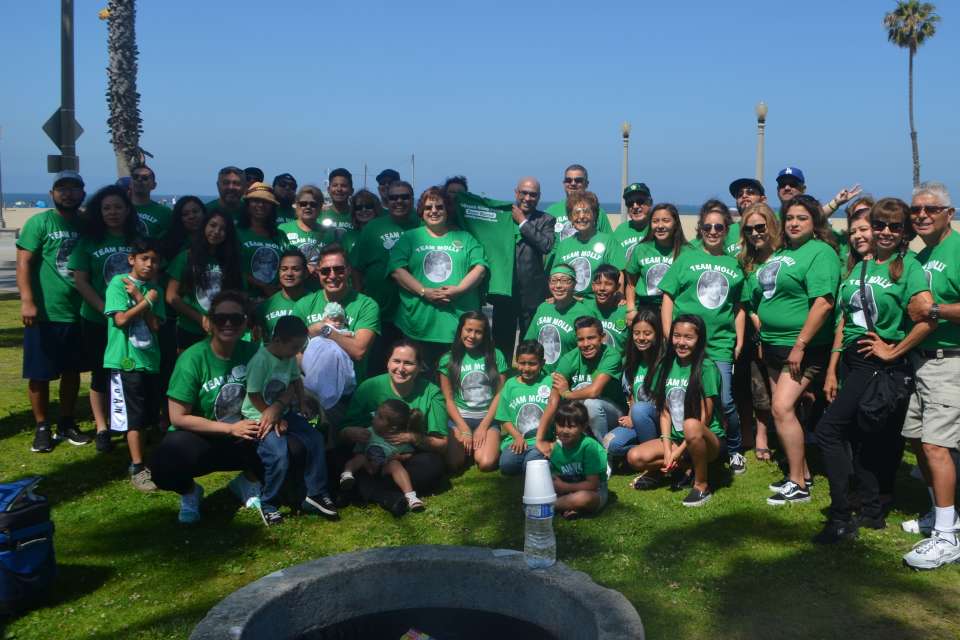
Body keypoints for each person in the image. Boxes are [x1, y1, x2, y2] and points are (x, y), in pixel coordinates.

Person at [814, 198, 932, 545]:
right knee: (857, 436)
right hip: (851, 359)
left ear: (905, 231)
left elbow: (927, 319)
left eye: (894, 226)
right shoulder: (861, 265)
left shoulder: (909, 267)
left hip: (874, 362)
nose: (885, 232)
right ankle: (871, 512)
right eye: (879, 224)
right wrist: (833, 367)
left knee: (827, 431)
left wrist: (892, 350)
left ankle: (840, 517)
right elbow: (845, 321)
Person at [150, 290, 306, 524]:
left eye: (236, 318)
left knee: (295, 448)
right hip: (203, 435)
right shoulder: (192, 359)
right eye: (221, 318)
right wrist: (230, 429)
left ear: (245, 322)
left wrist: (278, 406)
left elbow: (289, 381)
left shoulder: (257, 352)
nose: (228, 324)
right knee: (164, 464)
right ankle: (190, 492)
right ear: (210, 322)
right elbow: (178, 417)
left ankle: (248, 481)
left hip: (249, 432)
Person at [749, 194, 840, 506]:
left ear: (815, 222)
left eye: (802, 218)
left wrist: (800, 345)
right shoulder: (783, 252)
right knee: (784, 411)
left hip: (801, 347)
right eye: (789, 218)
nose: (794, 223)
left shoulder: (821, 253)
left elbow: (823, 303)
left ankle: (797, 484)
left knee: (781, 408)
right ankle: (803, 473)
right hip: (773, 345)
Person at [659, 199, 746, 475]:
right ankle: (692, 446)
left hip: (719, 344)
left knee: (725, 400)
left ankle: (734, 448)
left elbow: (738, 306)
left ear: (726, 230)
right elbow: (668, 297)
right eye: (707, 226)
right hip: (685, 344)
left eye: (718, 227)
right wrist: (668, 334)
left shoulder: (734, 265)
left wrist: (739, 340)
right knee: (686, 397)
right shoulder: (686, 258)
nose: (712, 231)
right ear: (700, 228)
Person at [900, 182, 960, 569]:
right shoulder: (922, 255)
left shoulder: (957, 250)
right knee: (918, 441)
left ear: (948, 214)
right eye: (916, 209)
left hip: (950, 361)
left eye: (931, 209)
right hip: (920, 361)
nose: (921, 215)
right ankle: (941, 515)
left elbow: (929, 309)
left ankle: (946, 538)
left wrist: (935, 310)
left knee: (938, 446)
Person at [17, 170, 90, 453]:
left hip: (78, 311)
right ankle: (42, 426)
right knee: (40, 373)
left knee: (72, 371)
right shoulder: (40, 222)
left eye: (74, 188)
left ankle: (67, 422)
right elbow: (24, 262)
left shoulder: (87, 224)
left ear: (83, 193)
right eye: (62, 188)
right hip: (45, 313)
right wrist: (27, 301)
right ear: (52, 194)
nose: (68, 193)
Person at [241, 315, 336, 525]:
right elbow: (254, 394)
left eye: (300, 348)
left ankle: (316, 493)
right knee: (279, 454)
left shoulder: (289, 357)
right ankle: (268, 503)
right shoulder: (260, 361)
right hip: (259, 417)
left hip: (283, 413)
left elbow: (295, 381)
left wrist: (302, 403)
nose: (297, 352)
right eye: (294, 347)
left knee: (315, 438)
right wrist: (272, 417)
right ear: (278, 340)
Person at [339, 340, 449, 516]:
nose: (401, 368)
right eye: (396, 361)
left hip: (402, 459)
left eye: (408, 363)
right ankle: (386, 495)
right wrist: (350, 432)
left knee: (432, 465)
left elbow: (442, 444)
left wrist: (413, 438)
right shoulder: (369, 387)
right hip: (367, 455)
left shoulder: (431, 392)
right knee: (336, 457)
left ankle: (368, 491)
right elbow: (343, 431)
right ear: (388, 362)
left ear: (420, 367)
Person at [625, 315, 725, 506]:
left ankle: (701, 486)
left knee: (691, 425)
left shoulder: (707, 367)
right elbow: (665, 412)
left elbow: (705, 416)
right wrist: (667, 450)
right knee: (634, 457)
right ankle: (686, 467)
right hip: (678, 440)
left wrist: (678, 452)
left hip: (707, 440)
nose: (681, 342)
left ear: (699, 339)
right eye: (677, 336)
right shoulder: (666, 365)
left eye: (688, 337)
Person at [69, 185, 138, 452]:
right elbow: (81, 281)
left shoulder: (137, 239)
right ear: (99, 211)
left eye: (118, 207)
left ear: (127, 210)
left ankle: (131, 424)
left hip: (133, 319)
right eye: (106, 208)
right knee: (100, 373)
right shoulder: (89, 241)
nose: (112, 212)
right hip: (98, 319)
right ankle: (102, 427)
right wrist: (106, 310)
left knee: (132, 372)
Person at [388, 187, 488, 371]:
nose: (434, 211)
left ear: (447, 210)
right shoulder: (410, 237)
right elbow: (396, 270)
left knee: (453, 379)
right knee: (417, 377)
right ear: (421, 211)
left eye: (439, 207)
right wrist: (424, 291)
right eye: (428, 207)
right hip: (419, 325)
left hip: (457, 327)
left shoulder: (465, 238)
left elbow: (480, 268)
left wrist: (459, 290)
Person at [103, 238, 166, 491]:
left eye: (155, 260)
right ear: (132, 259)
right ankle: (137, 467)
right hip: (125, 361)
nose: (149, 264)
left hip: (149, 360)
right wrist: (145, 301)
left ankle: (147, 460)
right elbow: (120, 320)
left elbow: (155, 325)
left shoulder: (154, 290)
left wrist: (142, 297)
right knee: (134, 416)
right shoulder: (119, 283)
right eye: (144, 258)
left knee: (149, 413)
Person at [350, 180, 418, 375]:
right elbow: (356, 266)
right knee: (378, 365)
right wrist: (360, 296)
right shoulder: (373, 227)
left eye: (404, 197)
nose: (399, 201)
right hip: (379, 310)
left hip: (412, 311)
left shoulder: (421, 224)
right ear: (386, 200)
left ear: (412, 199)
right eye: (394, 197)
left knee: (410, 365)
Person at [294, 244, 380, 382]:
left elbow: (358, 351)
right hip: (311, 388)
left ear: (348, 270)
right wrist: (318, 376)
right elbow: (292, 350)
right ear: (318, 273)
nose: (332, 275)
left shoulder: (366, 305)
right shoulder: (303, 305)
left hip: (352, 388)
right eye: (325, 271)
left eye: (339, 269)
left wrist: (324, 330)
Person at [737, 202, 782, 463]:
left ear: (772, 225)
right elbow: (748, 303)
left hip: (786, 335)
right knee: (756, 386)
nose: (755, 233)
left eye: (760, 227)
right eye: (749, 229)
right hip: (757, 334)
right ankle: (759, 435)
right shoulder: (746, 262)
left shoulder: (785, 256)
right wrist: (760, 326)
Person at [438, 311, 509, 471]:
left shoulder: (496, 355)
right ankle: (467, 446)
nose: (472, 336)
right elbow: (448, 399)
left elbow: (500, 394)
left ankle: (480, 446)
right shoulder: (447, 359)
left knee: (486, 463)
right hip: (458, 419)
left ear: (485, 334)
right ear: (460, 330)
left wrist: (483, 427)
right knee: (454, 463)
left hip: (487, 419)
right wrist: (464, 430)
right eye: (468, 330)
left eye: (478, 332)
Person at [541, 316, 624, 449]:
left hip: (613, 414)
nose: (586, 344)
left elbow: (594, 391)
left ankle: (603, 452)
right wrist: (539, 439)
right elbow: (553, 401)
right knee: (563, 407)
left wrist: (567, 393)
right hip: (582, 415)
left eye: (591, 338)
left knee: (591, 404)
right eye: (581, 339)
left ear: (602, 337)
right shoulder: (569, 359)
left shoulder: (611, 355)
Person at [166, 210, 242, 351]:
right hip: (189, 328)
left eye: (223, 229)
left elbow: (238, 295)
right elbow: (171, 296)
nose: (216, 231)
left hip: (223, 329)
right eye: (212, 225)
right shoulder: (186, 257)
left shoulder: (232, 261)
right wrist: (200, 318)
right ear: (204, 226)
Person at [339, 399, 427, 512]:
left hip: (385, 467)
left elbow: (410, 454)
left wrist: (400, 457)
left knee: (395, 464)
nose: (374, 416)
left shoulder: (398, 439)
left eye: (380, 417)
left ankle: (411, 496)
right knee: (359, 458)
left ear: (393, 428)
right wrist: (362, 457)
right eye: (376, 413)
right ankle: (347, 474)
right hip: (368, 466)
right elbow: (358, 450)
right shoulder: (368, 432)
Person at [610, 309, 663, 472]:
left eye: (647, 333)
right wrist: (631, 416)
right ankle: (641, 456)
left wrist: (636, 416)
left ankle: (650, 462)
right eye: (636, 333)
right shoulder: (631, 362)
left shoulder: (664, 363)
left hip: (660, 421)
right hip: (639, 420)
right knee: (611, 443)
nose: (641, 338)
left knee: (640, 410)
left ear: (657, 334)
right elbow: (633, 396)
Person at [524, 264, 597, 372]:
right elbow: (530, 342)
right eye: (553, 281)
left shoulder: (584, 313)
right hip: (539, 376)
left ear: (574, 284)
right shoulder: (543, 308)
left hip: (568, 376)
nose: (558, 285)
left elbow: (591, 351)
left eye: (564, 280)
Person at [497, 341, 554, 476]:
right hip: (517, 440)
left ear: (542, 363)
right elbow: (503, 417)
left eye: (532, 364)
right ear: (516, 362)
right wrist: (517, 437)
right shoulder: (510, 385)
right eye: (522, 363)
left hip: (542, 440)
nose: (526, 368)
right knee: (507, 465)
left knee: (531, 466)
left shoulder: (549, 382)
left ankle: (541, 459)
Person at [547, 191, 616, 299]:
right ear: (570, 218)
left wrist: (618, 297)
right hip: (569, 301)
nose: (581, 216)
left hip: (599, 301)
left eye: (586, 212)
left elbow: (619, 274)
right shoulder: (564, 244)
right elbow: (556, 276)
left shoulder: (608, 241)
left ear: (595, 215)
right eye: (576, 213)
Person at [624, 203, 688, 319]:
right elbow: (631, 284)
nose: (660, 226)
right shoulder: (641, 249)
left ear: (675, 223)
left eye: (666, 220)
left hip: (675, 310)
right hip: (646, 310)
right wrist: (631, 309)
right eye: (655, 221)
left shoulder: (687, 252)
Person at [549, 401, 609, 519]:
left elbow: (592, 485)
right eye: (561, 425)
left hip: (594, 492)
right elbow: (557, 477)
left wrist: (564, 487)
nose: (565, 431)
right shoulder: (557, 448)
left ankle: (548, 506)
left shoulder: (589, 447)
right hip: (568, 490)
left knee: (583, 498)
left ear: (583, 427)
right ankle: (569, 507)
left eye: (571, 426)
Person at [237, 182, 287, 301]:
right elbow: (230, 267)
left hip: (274, 299)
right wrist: (263, 286)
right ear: (247, 204)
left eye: (266, 202)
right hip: (244, 299)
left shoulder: (280, 235)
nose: (260, 205)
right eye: (256, 201)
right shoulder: (236, 232)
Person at [544, 164, 613, 240]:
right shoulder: (551, 212)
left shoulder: (598, 212)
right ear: (564, 184)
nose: (573, 183)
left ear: (586, 184)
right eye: (568, 180)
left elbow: (609, 240)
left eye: (578, 180)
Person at [257, 250, 312, 343]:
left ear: (306, 273)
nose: (289, 274)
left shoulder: (316, 301)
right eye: (284, 269)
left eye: (295, 269)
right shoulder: (266, 307)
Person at [278, 185, 334, 274]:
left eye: (313, 204)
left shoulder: (330, 233)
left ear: (320, 207)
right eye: (303, 204)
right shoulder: (282, 229)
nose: (308, 207)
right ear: (297, 205)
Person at [586, 264, 629, 353]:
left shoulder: (626, 312)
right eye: (598, 283)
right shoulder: (584, 307)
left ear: (617, 287)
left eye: (608, 284)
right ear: (593, 286)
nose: (602, 288)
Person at [611, 182, 653, 268]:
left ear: (650, 202)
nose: (635, 206)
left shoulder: (658, 229)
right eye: (630, 202)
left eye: (640, 200)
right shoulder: (621, 230)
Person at [129, 165, 173, 239]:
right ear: (130, 183)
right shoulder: (121, 210)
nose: (139, 179)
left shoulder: (165, 213)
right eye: (135, 177)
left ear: (154, 185)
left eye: (145, 178)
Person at [161, 196, 207, 262]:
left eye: (195, 211)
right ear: (179, 218)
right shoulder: (167, 240)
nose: (191, 216)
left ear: (204, 213)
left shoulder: (213, 238)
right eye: (185, 214)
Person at [341, 189, 381, 254]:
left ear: (376, 209)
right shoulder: (348, 236)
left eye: (368, 206)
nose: (364, 210)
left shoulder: (384, 233)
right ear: (354, 211)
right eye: (358, 207)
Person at [322, 168, 355, 233]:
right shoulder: (318, 215)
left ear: (351, 191)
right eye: (335, 185)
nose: (339, 189)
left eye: (343, 186)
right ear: (328, 190)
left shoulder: (357, 217)